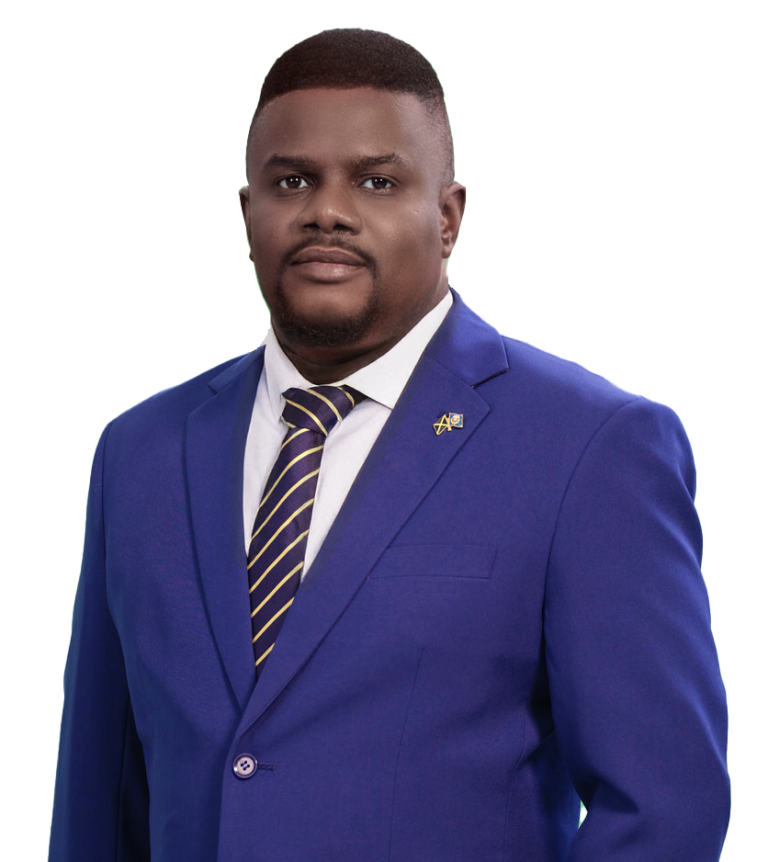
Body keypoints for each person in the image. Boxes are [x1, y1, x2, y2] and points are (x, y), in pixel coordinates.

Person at [49, 27, 730, 862]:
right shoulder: (139, 450)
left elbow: (665, 810)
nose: (326, 211)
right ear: (247, 211)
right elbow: (98, 799)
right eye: (292, 180)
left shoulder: (591, 446)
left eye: (376, 181)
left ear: (447, 217)